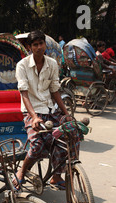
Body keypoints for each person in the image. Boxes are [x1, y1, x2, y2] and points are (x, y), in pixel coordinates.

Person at [14, 30, 73, 190]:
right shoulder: (22, 66)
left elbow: (55, 91)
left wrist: (67, 114)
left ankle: (56, 176)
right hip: (31, 111)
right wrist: (33, 117)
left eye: (41, 43)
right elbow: (24, 93)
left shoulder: (52, 64)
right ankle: (22, 171)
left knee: (67, 137)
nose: (39, 47)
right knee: (37, 145)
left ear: (45, 44)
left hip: (50, 109)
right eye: (35, 45)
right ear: (30, 47)